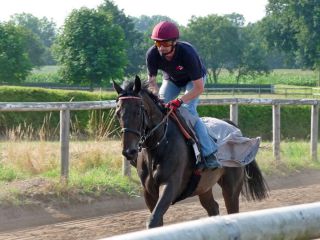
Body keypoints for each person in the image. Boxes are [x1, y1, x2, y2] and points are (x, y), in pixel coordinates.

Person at [146, 21, 221, 170]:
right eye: (157, 42)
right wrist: (157, 98)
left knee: (188, 111)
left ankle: (209, 153)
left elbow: (199, 88)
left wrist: (180, 101)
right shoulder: (152, 54)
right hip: (172, 80)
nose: (161, 47)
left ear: (174, 42)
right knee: (159, 108)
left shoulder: (187, 53)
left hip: (194, 81)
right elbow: (152, 83)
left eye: (165, 43)